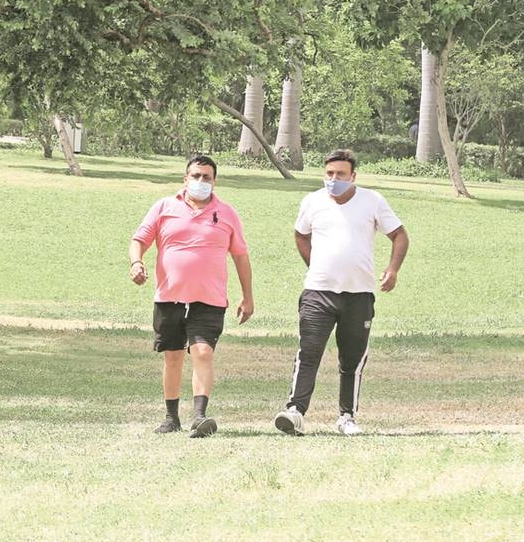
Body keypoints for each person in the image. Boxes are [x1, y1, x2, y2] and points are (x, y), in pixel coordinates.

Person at [274, 149, 408, 436]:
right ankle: (295, 411)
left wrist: (393, 269)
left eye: (341, 174)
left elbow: (399, 235)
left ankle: (347, 416)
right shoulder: (312, 201)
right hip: (318, 293)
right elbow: (300, 234)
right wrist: (315, 265)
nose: (334, 179)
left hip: (359, 295)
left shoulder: (372, 201)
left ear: (353, 176)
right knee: (309, 352)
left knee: (352, 358)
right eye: (329, 174)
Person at [130, 155, 254, 438]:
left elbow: (241, 257)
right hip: (169, 296)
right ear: (185, 179)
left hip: (209, 299)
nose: (200, 182)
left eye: (206, 177)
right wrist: (136, 263)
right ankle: (171, 417)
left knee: (202, 351)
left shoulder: (227, 213)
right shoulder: (164, 207)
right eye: (195, 176)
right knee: (172, 356)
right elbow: (140, 240)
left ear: (214, 181)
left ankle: (199, 416)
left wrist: (248, 297)